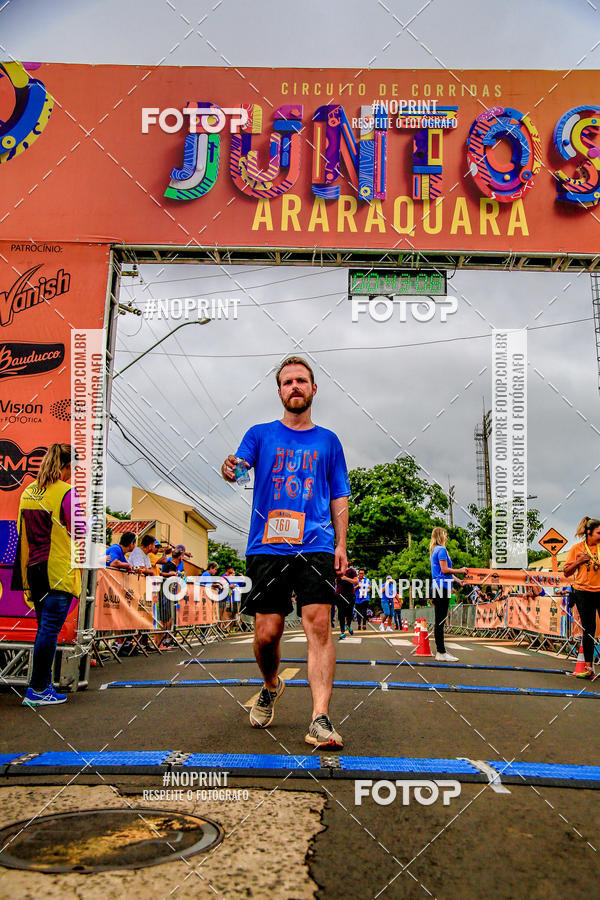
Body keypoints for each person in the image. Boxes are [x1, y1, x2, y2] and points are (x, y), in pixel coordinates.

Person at [221, 355, 350, 749]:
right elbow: (238, 467)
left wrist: (342, 543)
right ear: (279, 391)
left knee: (318, 626)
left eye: (301, 381)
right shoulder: (260, 434)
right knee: (267, 634)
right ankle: (270, 684)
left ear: (314, 389)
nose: (295, 386)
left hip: (316, 545)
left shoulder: (329, 441)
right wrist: (231, 468)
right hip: (267, 545)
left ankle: (320, 718)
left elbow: (340, 495)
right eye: (287, 381)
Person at [12, 444, 81, 706]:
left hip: (34, 568)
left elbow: (22, 531)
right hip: (58, 569)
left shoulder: (29, 491)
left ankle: (42, 686)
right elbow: (79, 531)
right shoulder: (66, 493)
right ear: (67, 467)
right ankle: (38, 688)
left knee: (44, 629)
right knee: (49, 630)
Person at [563, 516, 600, 679]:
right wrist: (579, 561)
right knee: (589, 629)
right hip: (583, 591)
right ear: (589, 533)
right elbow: (566, 572)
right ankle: (588, 667)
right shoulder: (577, 548)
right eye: (599, 532)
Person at [429, 526, 467, 662]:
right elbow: (445, 570)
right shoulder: (442, 550)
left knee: (439, 619)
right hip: (442, 587)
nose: (446, 537)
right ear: (440, 536)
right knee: (440, 620)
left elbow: (444, 572)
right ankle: (441, 651)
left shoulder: (435, 550)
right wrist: (461, 570)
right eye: (445, 534)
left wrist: (458, 581)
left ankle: (441, 650)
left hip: (438, 586)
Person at [336, 562, 358, 639]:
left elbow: (356, 581)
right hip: (340, 594)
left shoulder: (351, 571)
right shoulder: (338, 572)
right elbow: (336, 581)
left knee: (349, 612)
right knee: (341, 613)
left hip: (350, 595)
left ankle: (348, 625)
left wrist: (346, 578)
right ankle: (342, 631)